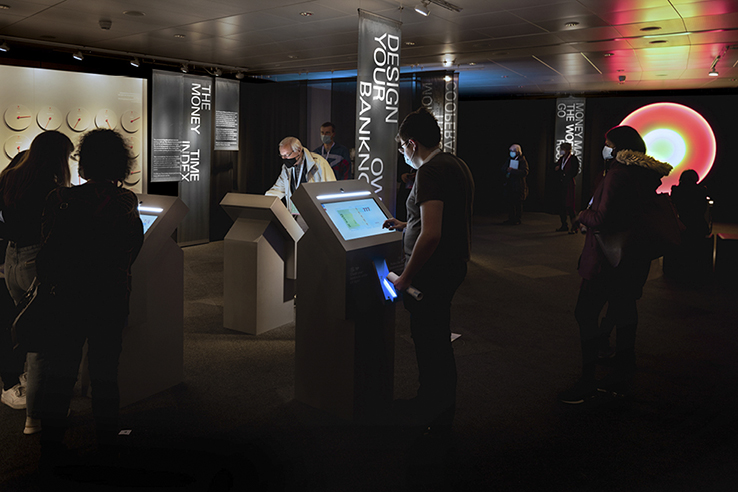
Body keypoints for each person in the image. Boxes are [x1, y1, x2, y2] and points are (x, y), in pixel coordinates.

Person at [34, 128, 143, 465]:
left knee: (61, 371)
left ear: (84, 162)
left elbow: (45, 252)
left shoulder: (59, 199)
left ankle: (50, 446)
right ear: (121, 165)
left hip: (66, 299)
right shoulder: (126, 202)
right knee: (105, 373)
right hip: (109, 299)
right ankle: (107, 444)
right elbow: (132, 249)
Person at [559, 125, 672, 404]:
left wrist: (582, 215)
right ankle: (623, 374)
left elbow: (602, 219)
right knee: (624, 310)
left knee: (585, 313)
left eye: (608, 143)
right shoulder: (644, 175)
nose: (605, 148)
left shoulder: (617, 174)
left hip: (606, 260)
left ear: (618, 148)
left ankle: (587, 381)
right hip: (633, 257)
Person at [383, 107, 475, 433]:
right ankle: (439, 404)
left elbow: (432, 233)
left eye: (401, 146)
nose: (402, 152)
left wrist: (405, 277)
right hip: (453, 266)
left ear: (412, 143)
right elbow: (443, 219)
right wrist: (406, 224)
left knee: (429, 343)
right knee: (437, 340)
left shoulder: (429, 172)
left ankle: (432, 409)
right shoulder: (456, 164)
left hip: (431, 274)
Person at [0, 134, 73, 434]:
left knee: (28, 330)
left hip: (12, 260)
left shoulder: (10, 177)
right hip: (34, 262)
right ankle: (35, 417)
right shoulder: (50, 188)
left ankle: (28, 388)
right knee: (42, 347)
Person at [0, 151, 31, 412]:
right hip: (8, 272)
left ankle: (14, 379)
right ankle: (10, 385)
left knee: (13, 328)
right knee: (8, 329)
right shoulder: (14, 196)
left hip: (8, 270)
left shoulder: (10, 192)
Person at [266, 137, 335, 215]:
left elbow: (331, 189)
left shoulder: (319, 163)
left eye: (287, 155)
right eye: (282, 156)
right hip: (295, 214)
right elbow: (278, 189)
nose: (284, 159)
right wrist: (264, 201)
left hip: (315, 214)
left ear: (298, 150)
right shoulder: (286, 168)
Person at [553, 142, 580, 233]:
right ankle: (564, 225)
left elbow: (575, 171)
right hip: (561, 184)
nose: (561, 151)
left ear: (568, 150)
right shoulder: (561, 159)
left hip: (569, 184)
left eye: (563, 149)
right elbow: (557, 168)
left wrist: (566, 175)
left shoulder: (573, 159)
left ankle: (574, 226)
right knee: (561, 205)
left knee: (570, 206)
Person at [502, 144, 528, 225]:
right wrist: (507, 169)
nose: (511, 153)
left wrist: (513, 171)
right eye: (510, 151)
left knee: (518, 203)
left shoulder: (522, 160)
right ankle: (511, 218)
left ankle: (517, 219)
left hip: (518, 185)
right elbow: (503, 168)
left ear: (518, 152)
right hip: (510, 184)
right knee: (510, 202)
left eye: (513, 151)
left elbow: (525, 172)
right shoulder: (509, 159)